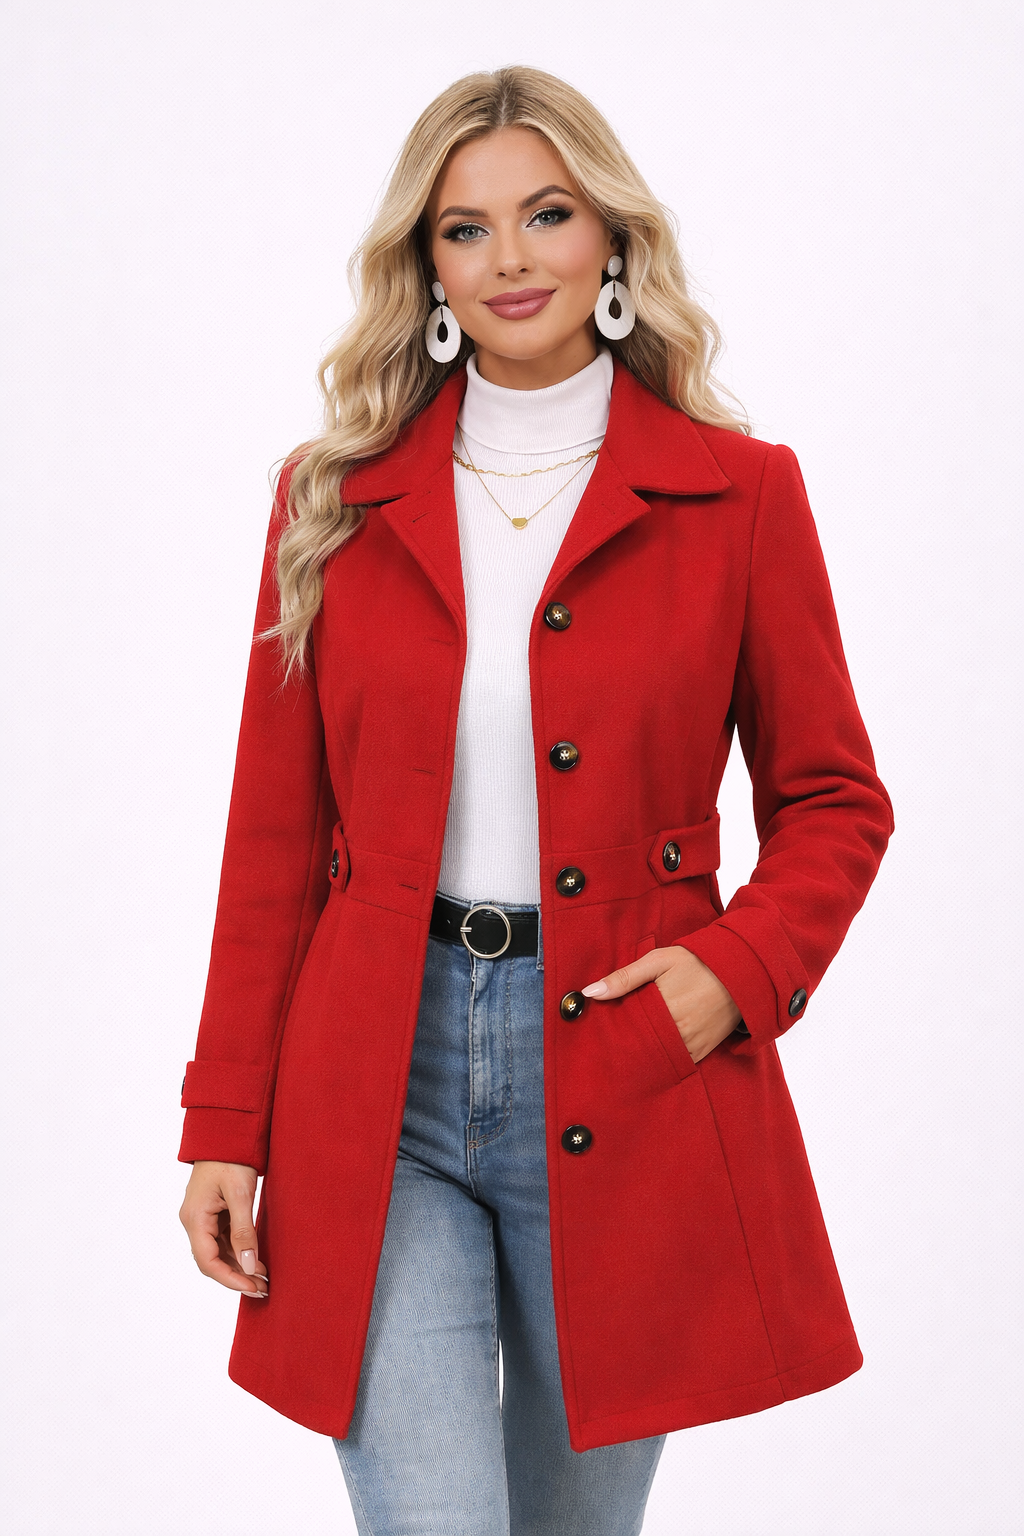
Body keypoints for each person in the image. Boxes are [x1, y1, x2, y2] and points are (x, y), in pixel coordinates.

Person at [178, 65, 894, 1536]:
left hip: (628, 1067)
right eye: (466, 228)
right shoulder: (332, 498)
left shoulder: (740, 496)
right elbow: (272, 842)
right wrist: (223, 1119)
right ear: (427, 266)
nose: (509, 257)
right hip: (376, 1081)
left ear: (613, 236)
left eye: (548, 214)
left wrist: (731, 974)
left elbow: (835, 799)